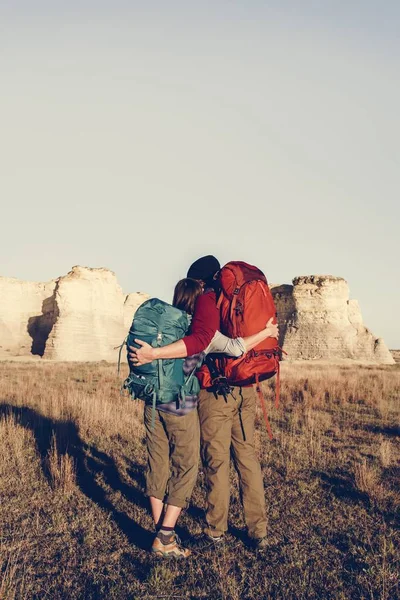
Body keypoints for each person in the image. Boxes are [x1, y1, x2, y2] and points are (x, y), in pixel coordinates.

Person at [130, 256, 278, 552]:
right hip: (246, 386)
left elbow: (201, 340)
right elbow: (236, 346)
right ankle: (258, 532)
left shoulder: (203, 306)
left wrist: (156, 355)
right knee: (247, 459)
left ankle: (214, 531)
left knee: (216, 461)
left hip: (214, 390)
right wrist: (267, 333)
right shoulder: (230, 298)